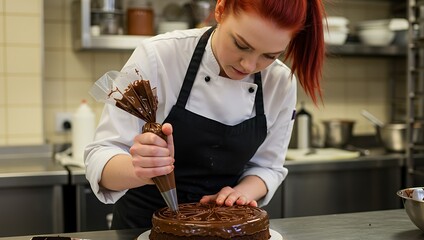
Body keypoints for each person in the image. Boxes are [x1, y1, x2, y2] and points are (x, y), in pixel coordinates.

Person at [85, 0, 326, 229]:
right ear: (220, 10)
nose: (248, 66)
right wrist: (138, 169)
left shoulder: (280, 81)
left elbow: (269, 167)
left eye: (270, 56)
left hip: (225, 228)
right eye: (242, 45)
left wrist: (242, 193)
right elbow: (101, 156)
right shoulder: (159, 56)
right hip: (141, 227)